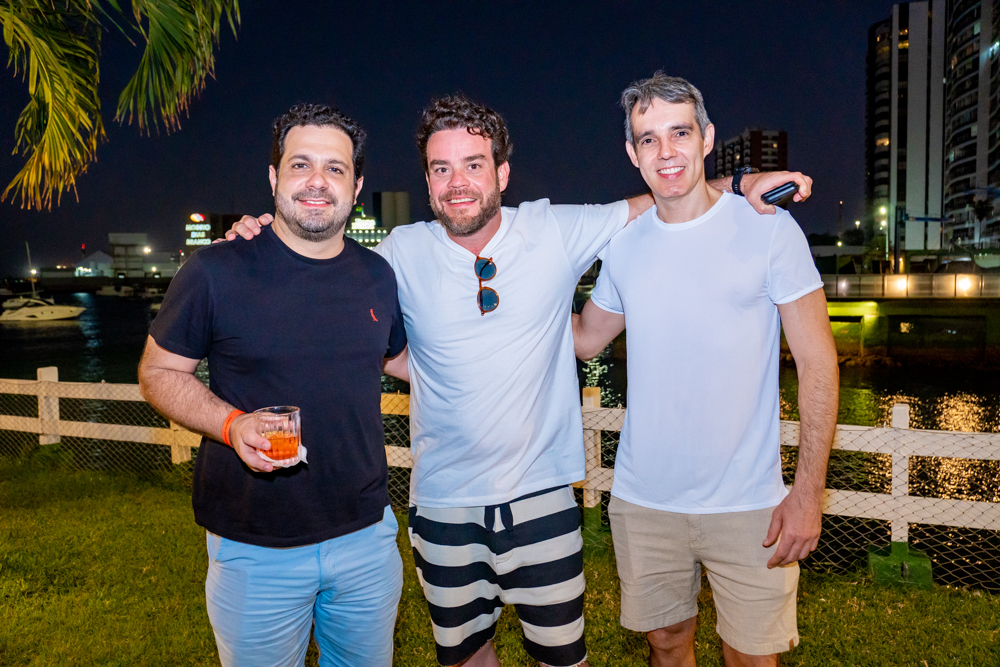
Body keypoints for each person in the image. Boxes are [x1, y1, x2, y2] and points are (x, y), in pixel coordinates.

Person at [225, 94, 812, 667]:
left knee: (562, 655)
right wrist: (261, 235)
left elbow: (655, 200)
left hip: (543, 498)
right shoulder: (399, 253)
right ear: (427, 181)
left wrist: (738, 184)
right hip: (443, 505)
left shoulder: (555, 229)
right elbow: (338, 291)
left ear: (502, 173)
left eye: (474, 165)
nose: (458, 182)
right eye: (441, 168)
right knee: (466, 654)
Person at [572, 73, 838, 667]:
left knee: (750, 656)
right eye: (648, 139)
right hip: (646, 501)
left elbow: (820, 365)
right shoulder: (624, 245)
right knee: (666, 646)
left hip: (750, 505)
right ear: (631, 152)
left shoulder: (769, 228)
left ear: (707, 137)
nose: (666, 152)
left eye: (680, 132)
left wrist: (807, 493)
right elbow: (586, 339)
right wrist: (506, 303)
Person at [138, 103, 408, 667]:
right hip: (252, 546)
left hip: (366, 538)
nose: (316, 181)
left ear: (356, 186)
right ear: (273, 178)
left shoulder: (378, 276)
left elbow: (406, 362)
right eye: (300, 164)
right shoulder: (216, 270)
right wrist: (232, 425)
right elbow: (158, 374)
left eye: (335, 168)